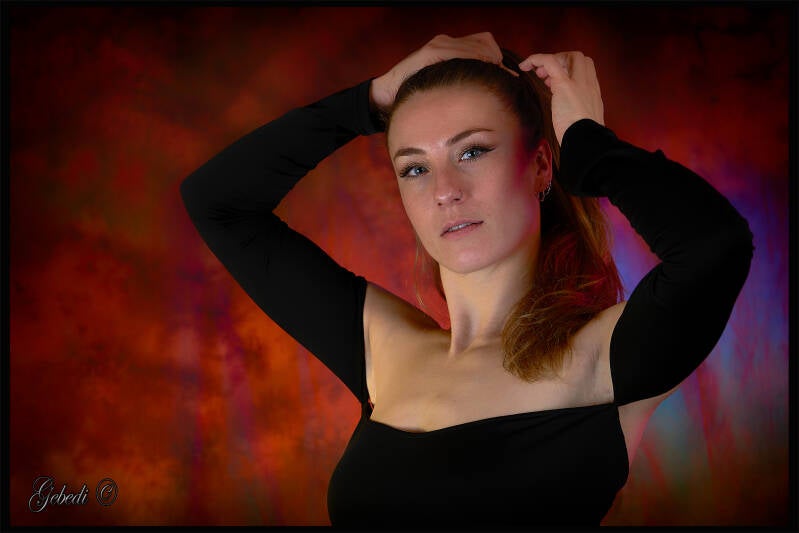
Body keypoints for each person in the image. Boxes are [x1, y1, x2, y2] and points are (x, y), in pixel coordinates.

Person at [180, 33, 753, 527]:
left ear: (541, 166)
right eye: (415, 167)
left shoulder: (601, 358)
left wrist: (586, 142)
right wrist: (371, 99)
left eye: (473, 151)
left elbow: (713, 246)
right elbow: (216, 201)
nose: (444, 191)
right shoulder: (385, 352)